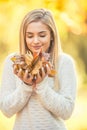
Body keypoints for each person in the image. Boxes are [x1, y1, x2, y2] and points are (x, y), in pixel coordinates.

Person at [0, 8, 77, 130]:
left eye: (42, 35)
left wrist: (41, 85)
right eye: (30, 36)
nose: (35, 41)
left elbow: (66, 112)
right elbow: (6, 110)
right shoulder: (13, 62)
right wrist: (26, 85)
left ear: (52, 35)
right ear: (24, 37)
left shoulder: (64, 63)